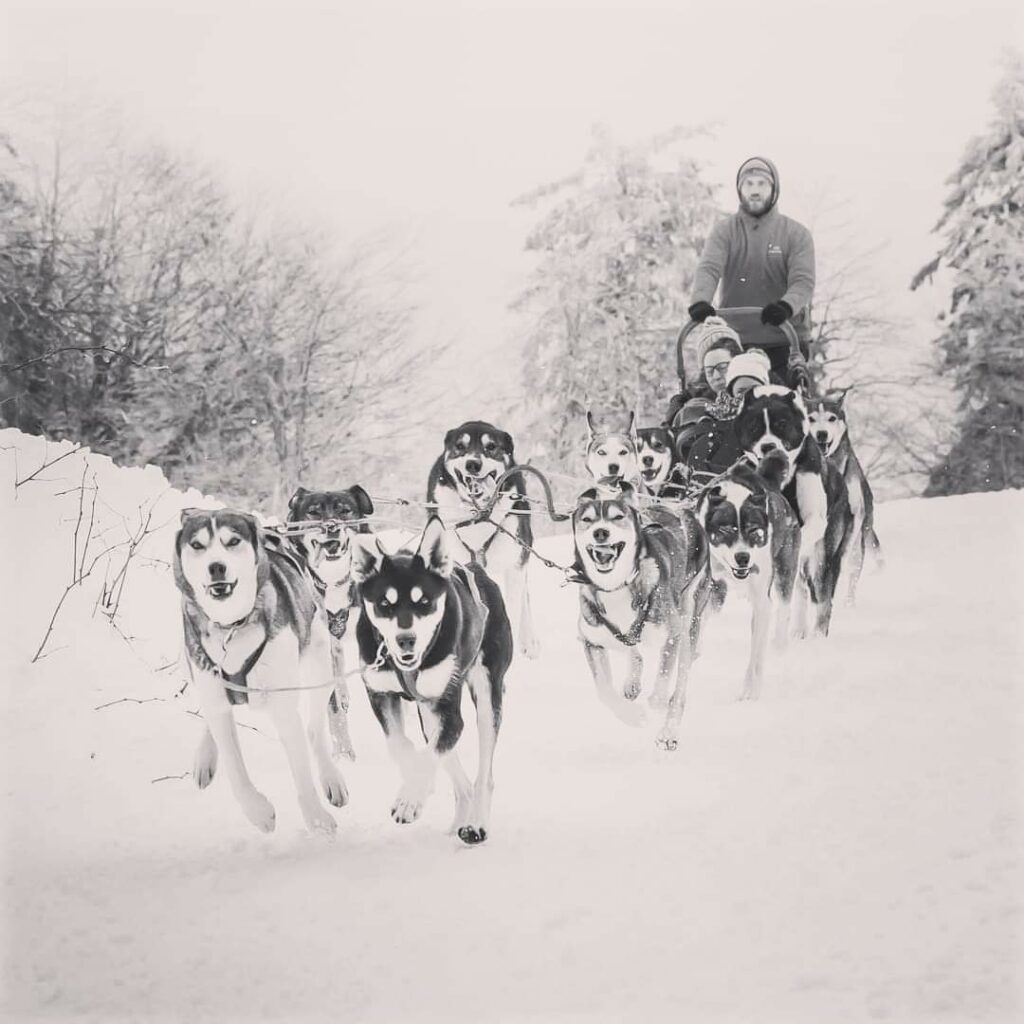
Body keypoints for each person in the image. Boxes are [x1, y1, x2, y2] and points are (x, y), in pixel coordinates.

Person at [687, 156, 814, 388]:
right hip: (736, 340)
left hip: (784, 338)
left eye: (762, 184)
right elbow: (709, 267)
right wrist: (700, 301)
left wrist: (786, 306)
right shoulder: (725, 232)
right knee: (715, 394)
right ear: (740, 189)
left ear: (773, 189)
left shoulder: (796, 234)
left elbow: (802, 281)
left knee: (784, 402)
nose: (755, 191)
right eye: (749, 184)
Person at [683, 350, 773, 479]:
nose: (748, 397)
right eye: (741, 391)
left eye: (754, 389)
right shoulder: (716, 425)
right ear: (731, 394)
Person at [664, 316, 743, 427]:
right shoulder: (698, 399)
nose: (716, 376)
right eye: (709, 371)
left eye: (722, 367)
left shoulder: (755, 386)